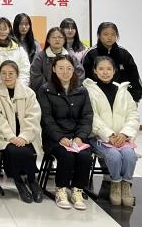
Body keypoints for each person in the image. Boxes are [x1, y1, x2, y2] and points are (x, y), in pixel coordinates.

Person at [37, 55, 93, 210]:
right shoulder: (45, 89)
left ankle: (77, 190)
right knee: (66, 156)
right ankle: (61, 190)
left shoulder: (81, 90)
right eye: (61, 68)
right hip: (54, 137)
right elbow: (46, 118)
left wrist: (80, 137)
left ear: (74, 70)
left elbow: (87, 116)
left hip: (76, 137)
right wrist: (60, 137)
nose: (65, 72)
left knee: (85, 156)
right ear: (54, 69)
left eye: (69, 68)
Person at [84, 56, 139, 207]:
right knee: (114, 156)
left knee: (130, 155)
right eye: (101, 69)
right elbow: (92, 116)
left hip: (122, 137)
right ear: (95, 71)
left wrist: (125, 133)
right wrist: (109, 135)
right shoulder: (89, 91)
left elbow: (133, 115)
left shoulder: (123, 91)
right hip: (99, 137)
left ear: (114, 71)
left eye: (109, 69)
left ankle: (125, 185)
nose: (105, 72)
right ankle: (115, 183)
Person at [0, 60, 43, 204]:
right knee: (14, 151)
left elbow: (34, 117)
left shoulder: (28, 93)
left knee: (27, 149)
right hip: (5, 137)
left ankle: (32, 181)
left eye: (11, 73)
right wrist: (11, 137)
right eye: (3, 73)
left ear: (17, 74)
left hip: (27, 135)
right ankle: (19, 182)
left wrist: (24, 137)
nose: (7, 77)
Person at [82, 22, 142, 103]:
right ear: (99, 35)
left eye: (113, 34)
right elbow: (84, 79)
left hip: (122, 99)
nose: (109, 37)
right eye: (105, 34)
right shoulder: (90, 54)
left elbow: (134, 77)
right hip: (97, 99)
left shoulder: (124, 54)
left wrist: (135, 98)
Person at [30, 27, 85, 94]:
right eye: (53, 37)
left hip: (69, 92)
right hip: (46, 93)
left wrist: (68, 87)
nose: (57, 39)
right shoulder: (40, 57)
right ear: (48, 40)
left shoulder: (70, 56)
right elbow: (35, 76)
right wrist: (50, 89)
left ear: (64, 40)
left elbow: (79, 73)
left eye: (60, 37)